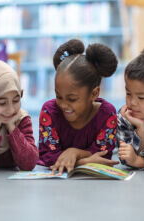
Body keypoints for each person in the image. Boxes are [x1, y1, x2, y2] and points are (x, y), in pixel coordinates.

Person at [37, 39, 120, 175]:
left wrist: (74, 152)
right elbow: (47, 155)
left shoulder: (107, 114)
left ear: (94, 93)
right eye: (59, 96)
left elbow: (102, 156)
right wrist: (83, 162)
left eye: (72, 99)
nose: (63, 104)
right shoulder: (49, 111)